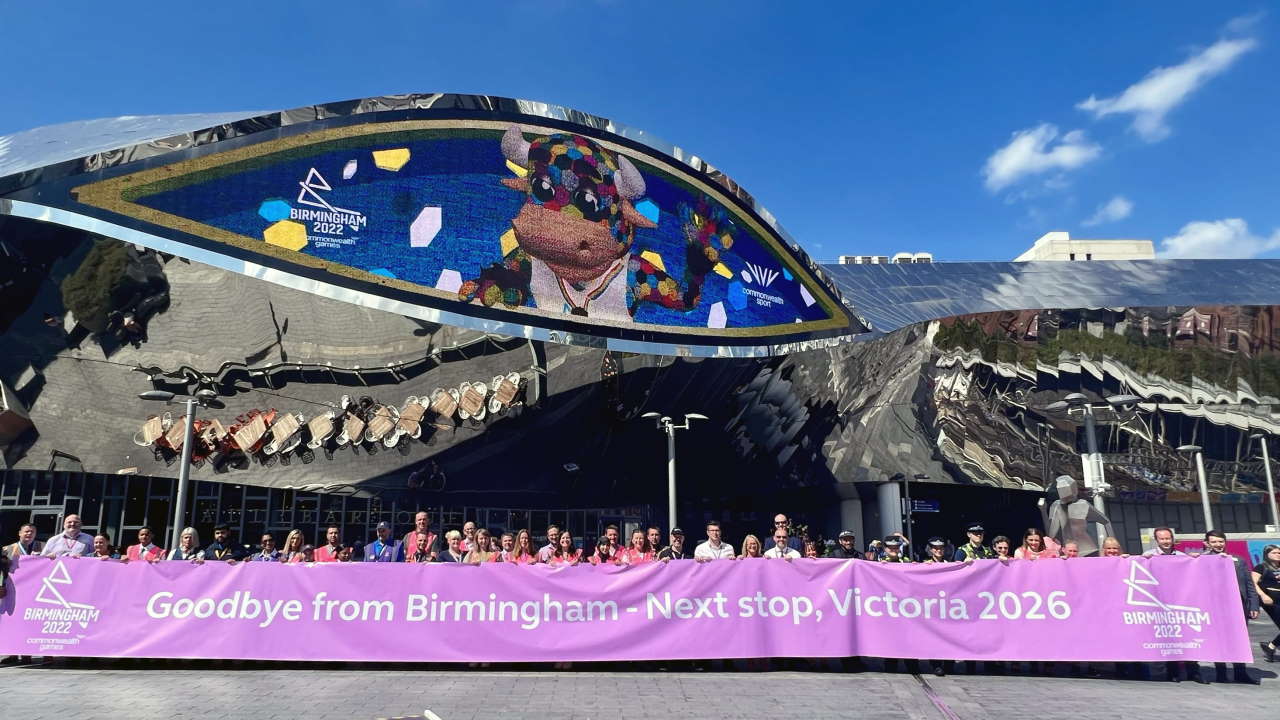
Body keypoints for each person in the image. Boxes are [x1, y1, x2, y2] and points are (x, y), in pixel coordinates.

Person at [1143, 528, 1204, 683]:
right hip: (1160, 603)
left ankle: (1194, 672)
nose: (1165, 541)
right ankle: (1173, 672)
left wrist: (1194, 560)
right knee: (1168, 638)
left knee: (1187, 636)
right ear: (1156, 540)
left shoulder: (1183, 557)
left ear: (1172, 539)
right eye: (1162, 539)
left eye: (1168, 538)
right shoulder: (1149, 556)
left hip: (1180, 603)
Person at [1203, 530, 1259, 684]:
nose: (1218, 544)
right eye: (1214, 542)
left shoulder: (1238, 560)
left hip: (1238, 606)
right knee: (1219, 640)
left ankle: (1240, 672)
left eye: (1221, 541)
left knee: (1239, 640)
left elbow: (1249, 584)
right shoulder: (1202, 560)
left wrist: (1254, 604)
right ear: (1207, 543)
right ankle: (1221, 673)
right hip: (1215, 607)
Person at [1252, 544, 1280, 663]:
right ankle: (1270, 647)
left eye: (1279, 552)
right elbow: (1253, 583)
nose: (1278, 555)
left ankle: (1270, 647)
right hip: (1270, 601)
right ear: (1266, 554)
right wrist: (1263, 596)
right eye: (1274, 553)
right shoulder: (1261, 567)